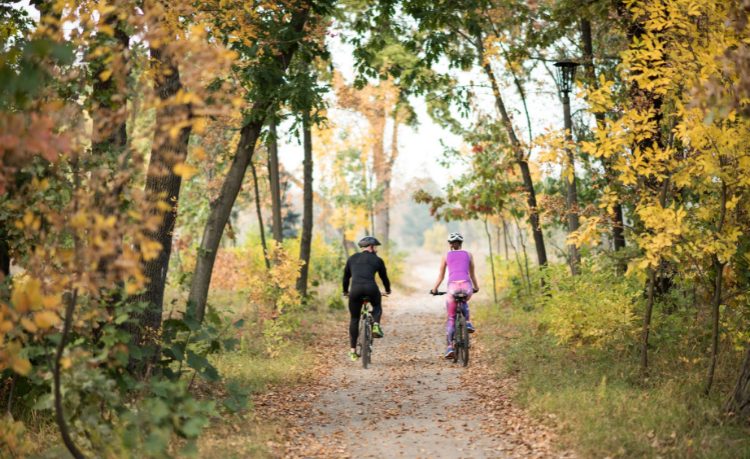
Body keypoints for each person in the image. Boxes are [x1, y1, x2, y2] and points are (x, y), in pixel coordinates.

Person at [430, 232, 479, 359]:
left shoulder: (446, 256)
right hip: (467, 286)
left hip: (452, 287)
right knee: (464, 301)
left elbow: (441, 276)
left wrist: (434, 289)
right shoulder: (469, 255)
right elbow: (472, 274)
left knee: (451, 317)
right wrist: (476, 287)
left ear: (450, 244)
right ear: (461, 243)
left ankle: (450, 347)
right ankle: (467, 322)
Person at [343, 236, 391, 361]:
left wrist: (345, 291)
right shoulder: (377, 260)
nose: (377, 250)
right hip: (371, 289)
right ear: (371, 247)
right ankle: (375, 325)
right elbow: (384, 277)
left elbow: (346, 277)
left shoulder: (352, 258)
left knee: (354, 318)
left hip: (355, 290)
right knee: (377, 306)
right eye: (376, 247)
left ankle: (353, 351)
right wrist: (387, 290)